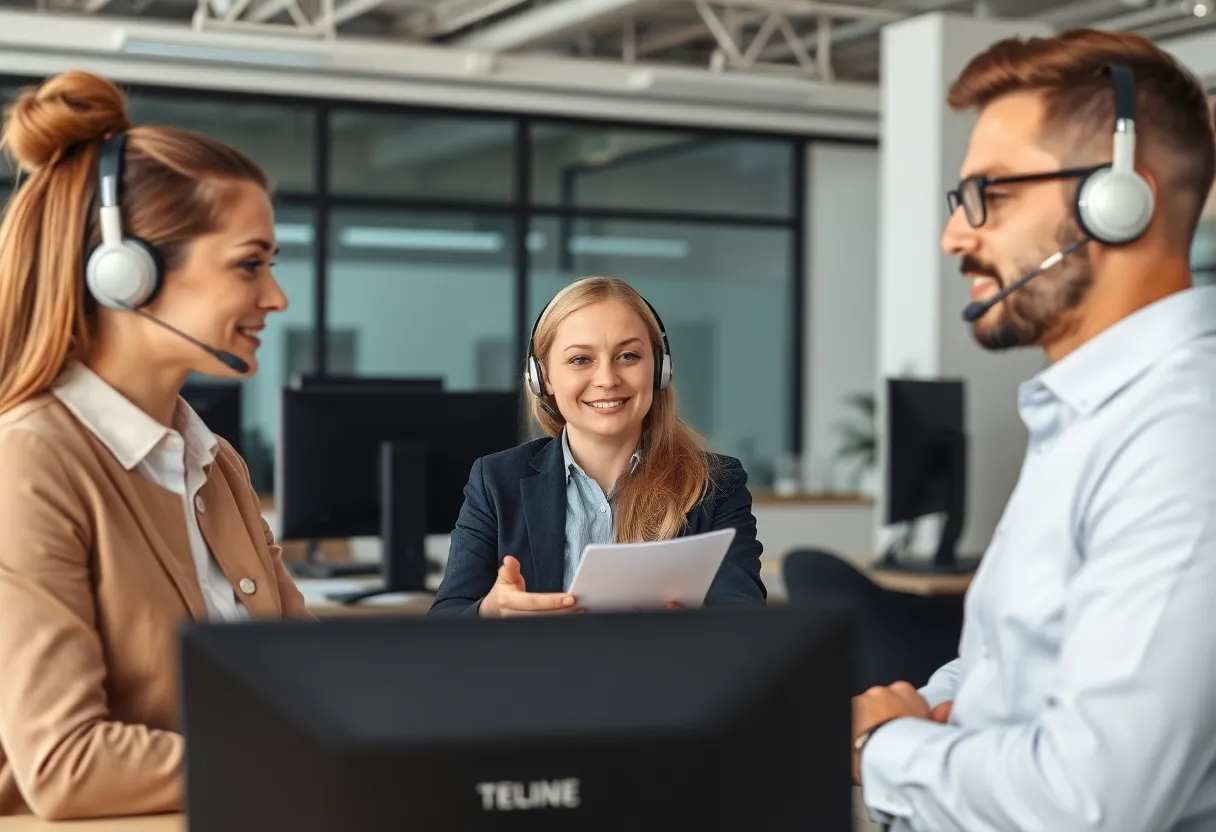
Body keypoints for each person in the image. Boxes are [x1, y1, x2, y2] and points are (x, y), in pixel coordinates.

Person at [851, 30, 1216, 832]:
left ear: (1119, 200)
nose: (956, 235)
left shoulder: (1182, 438)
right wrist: (933, 706)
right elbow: (1004, 665)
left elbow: (1088, 802)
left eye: (993, 194)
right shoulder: (1089, 416)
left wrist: (886, 745)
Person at [0, 71, 311, 820]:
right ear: (126, 275)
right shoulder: (29, 464)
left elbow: (314, 681)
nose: (276, 296)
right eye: (249, 263)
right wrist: (314, 749)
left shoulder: (213, 463)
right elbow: (69, 765)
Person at [429, 276, 767, 616]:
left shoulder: (715, 483)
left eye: (629, 355)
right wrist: (490, 612)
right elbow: (444, 622)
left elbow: (744, 620)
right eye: (580, 360)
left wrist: (694, 629)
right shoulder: (496, 480)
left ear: (659, 369)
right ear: (542, 377)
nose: (607, 379)